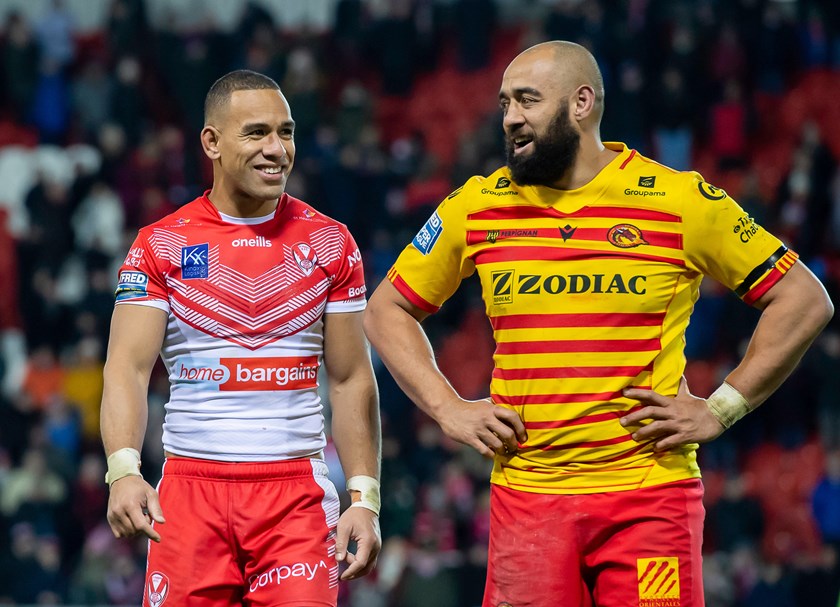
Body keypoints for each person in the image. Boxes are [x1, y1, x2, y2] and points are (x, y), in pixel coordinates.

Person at [363, 41, 834, 607]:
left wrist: (721, 407)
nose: (510, 117)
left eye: (528, 100)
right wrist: (447, 407)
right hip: (527, 504)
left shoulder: (678, 200)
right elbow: (385, 308)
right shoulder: (476, 205)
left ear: (581, 103)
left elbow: (804, 298)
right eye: (505, 103)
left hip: (648, 498)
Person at [100, 70, 381, 606]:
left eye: (287, 132)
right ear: (211, 142)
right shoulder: (160, 244)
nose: (277, 149)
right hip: (188, 495)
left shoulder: (331, 242)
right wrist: (123, 470)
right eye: (256, 133)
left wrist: (364, 497)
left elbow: (350, 379)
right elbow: (126, 369)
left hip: (295, 500)